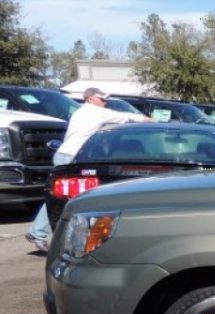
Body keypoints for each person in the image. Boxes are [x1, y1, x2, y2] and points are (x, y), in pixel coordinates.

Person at [26, 87, 150, 252]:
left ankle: (39, 232)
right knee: (62, 196)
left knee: (59, 195)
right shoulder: (95, 112)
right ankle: (38, 232)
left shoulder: (81, 112)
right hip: (71, 157)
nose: (105, 102)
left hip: (65, 154)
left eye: (106, 99)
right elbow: (125, 117)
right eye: (102, 98)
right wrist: (147, 119)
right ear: (90, 98)